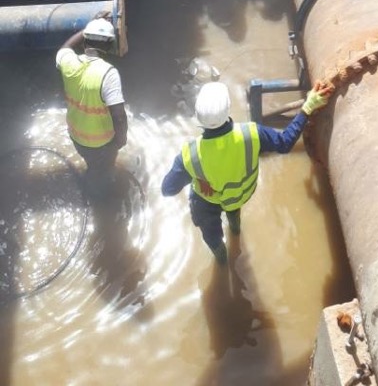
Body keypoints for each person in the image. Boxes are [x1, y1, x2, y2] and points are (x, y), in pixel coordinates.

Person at [161, 79, 334, 265]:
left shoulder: (189, 155)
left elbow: (168, 189)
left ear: (198, 116)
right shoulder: (252, 133)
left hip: (206, 202)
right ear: (228, 109)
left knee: (212, 236)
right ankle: (235, 231)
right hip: (237, 197)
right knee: (233, 213)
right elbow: (285, 142)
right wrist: (307, 107)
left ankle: (222, 262)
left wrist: (195, 175)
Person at [56, 17, 128, 195]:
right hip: (101, 142)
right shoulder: (108, 74)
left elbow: (64, 48)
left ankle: (92, 177)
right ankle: (100, 197)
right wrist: (121, 139)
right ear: (109, 46)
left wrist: (86, 30)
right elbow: (119, 115)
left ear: (85, 41)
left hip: (76, 135)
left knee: (92, 164)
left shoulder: (68, 63)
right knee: (103, 170)